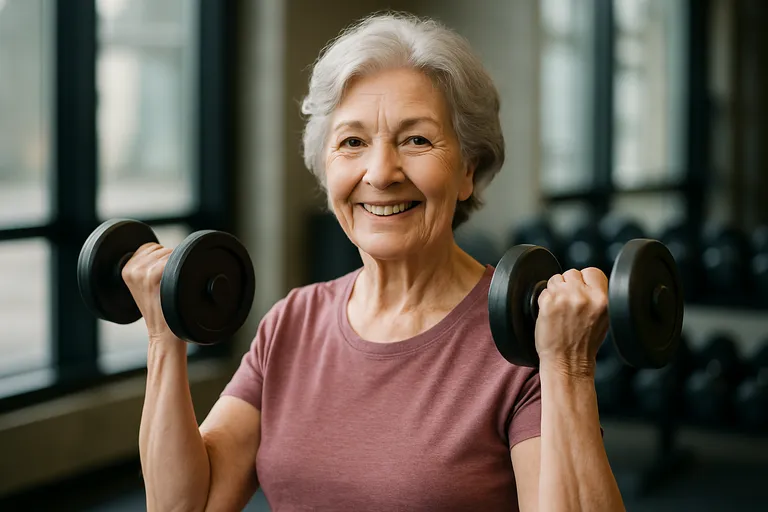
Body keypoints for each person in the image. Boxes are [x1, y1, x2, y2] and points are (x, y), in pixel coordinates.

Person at [126, 12, 626, 512]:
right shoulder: (291, 323)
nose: (381, 173)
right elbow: (184, 507)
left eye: (416, 140)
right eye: (352, 142)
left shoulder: (523, 341)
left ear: (468, 169)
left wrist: (568, 365)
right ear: (327, 167)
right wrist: (163, 336)